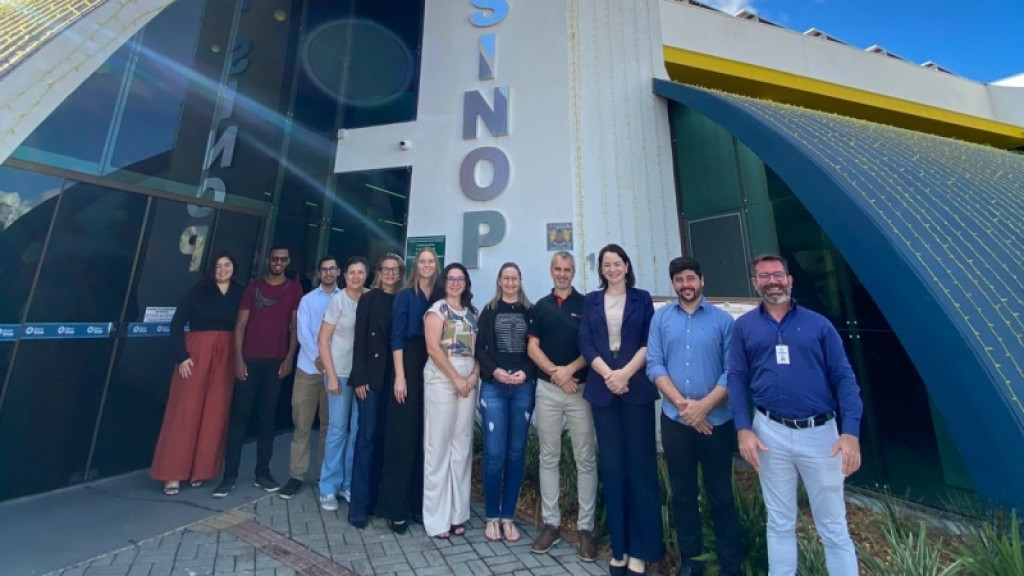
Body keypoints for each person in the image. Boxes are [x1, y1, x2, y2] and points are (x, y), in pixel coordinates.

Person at [728, 254, 863, 576]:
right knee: (779, 522)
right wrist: (743, 428)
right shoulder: (744, 327)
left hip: (821, 436)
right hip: (769, 432)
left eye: (777, 275)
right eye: (764, 276)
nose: (772, 281)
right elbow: (736, 377)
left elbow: (844, 378)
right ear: (755, 283)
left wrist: (851, 432)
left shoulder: (819, 325)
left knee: (833, 526)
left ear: (789, 280)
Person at [646, 257, 743, 576]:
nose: (685, 285)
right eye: (679, 280)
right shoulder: (661, 319)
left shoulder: (723, 321)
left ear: (701, 280)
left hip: (717, 423)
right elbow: (655, 365)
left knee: (721, 496)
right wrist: (685, 407)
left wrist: (704, 407)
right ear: (673, 284)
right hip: (676, 423)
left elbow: (732, 371)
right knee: (683, 494)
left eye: (690, 278)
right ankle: (691, 563)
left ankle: (730, 566)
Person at [578, 243, 663, 576]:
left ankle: (641, 549)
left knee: (640, 468)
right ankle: (620, 548)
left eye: (617, 263)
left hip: (635, 389)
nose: (612, 269)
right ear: (601, 270)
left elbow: (649, 341)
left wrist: (624, 374)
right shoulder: (591, 301)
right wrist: (609, 375)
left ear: (627, 266)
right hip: (604, 391)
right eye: (606, 264)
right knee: (613, 469)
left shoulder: (642, 299)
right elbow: (585, 342)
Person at [151, 251, 243, 495]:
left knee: (215, 412)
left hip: (226, 354)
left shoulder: (240, 293)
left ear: (234, 268)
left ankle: (201, 470)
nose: (223, 269)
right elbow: (177, 324)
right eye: (218, 266)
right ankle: (172, 473)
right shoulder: (199, 291)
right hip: (197, 352)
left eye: (227, 265)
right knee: (185, 410)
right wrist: (182, 356)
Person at [213, 246, 302, 497]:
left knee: (267, 418)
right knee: (239, 417)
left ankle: (262, 473)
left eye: (283, 259)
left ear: (288, 261)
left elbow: (295, 326)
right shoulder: (253, 288)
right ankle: (229, 476)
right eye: (274, 259)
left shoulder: (294, 289)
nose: (278, 263)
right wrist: (239, 359)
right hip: (250, 361)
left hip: (276, 362)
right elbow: (240, 325)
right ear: (267, 260)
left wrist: (289, 357)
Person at [526, 251, 598, 560]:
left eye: (567, 269)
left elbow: (592, 347)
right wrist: (558, 376)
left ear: (574, 271)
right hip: (548, 391)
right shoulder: (540, 306)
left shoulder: (587, 305)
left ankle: (586, 529)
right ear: (551, 270)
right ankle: (551, 524)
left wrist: (569, 371)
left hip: (580, 391)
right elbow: (532, 348)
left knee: (585, 459)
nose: (562, 273)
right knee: (548, 457)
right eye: (557, 268)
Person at [377, 247, 439, 533]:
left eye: (431, 261)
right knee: (402, 438)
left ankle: (417, 504)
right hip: (408, 366)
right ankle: (396, 509)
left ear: (436, 265)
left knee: (424, 439)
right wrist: (400, 377)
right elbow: (397, 338)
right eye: (422, 261)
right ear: (416, 266)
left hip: (434, 366)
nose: (426, 265)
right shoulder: (405, 295)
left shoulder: (439, 296)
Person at [475, 263, 536, 542]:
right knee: (494, 453)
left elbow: (537, 349)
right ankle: (491, 515)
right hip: (494, 388)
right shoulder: (489, 311)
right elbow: (479, 349)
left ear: (520, 281)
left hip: (522, 388)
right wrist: (495, 372)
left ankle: (508, 516)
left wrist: (526, 372)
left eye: (515, 278)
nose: (510, 283)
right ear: (499, 281)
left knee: (515, 452)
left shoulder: (531, 311)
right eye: (506, 278)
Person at [422, 262, 480, 539]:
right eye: (451, 278)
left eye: (460, 279)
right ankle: (437, 519)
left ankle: (458, 514)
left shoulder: (473, 314)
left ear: (466, 283)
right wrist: (457, 379)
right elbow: (433, 349)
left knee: (461, 447)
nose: (456, 283)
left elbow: (479, 351)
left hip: (468, 380)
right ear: (444, 282)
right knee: (438, 446)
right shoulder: (437, 311)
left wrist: (473, 376)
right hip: (442, 379)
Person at [347, 254, 405, 528]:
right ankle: (359, 507)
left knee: (386, 440)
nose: (390, 274)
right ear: (379, 273)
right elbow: (359, 339)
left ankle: (379, 501)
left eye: (395, 270)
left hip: (396, 380)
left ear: (400, 273)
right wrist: (359, 377)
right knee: (366, 439)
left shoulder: (404, 299)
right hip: (370, 380)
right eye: (386, 269)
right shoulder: (368, 299)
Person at [279, 257, 338, 499]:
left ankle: (324, 475)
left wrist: (329, 363)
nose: (328, 273)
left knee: (329, 427)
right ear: (319, 273)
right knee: (302, 425)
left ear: (338, 272)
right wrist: (319, 358)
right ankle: (296, 475)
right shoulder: (308, 300)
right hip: (308, 370)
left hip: (334, 372)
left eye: (332, 269)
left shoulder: (345, 299)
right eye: (324, 269)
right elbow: (302, 333)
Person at [316, 256, 368, 510]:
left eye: (360, 272)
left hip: (362, 376)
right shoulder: (338, 301)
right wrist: (332, 375)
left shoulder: (370, 298)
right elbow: (322, 340)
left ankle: (348, 484)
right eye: (351, 272)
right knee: (337, 430)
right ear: (344, 276)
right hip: (340, 373)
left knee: (357, 431)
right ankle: (328, 487)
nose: (356, 277)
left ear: (366, 275)